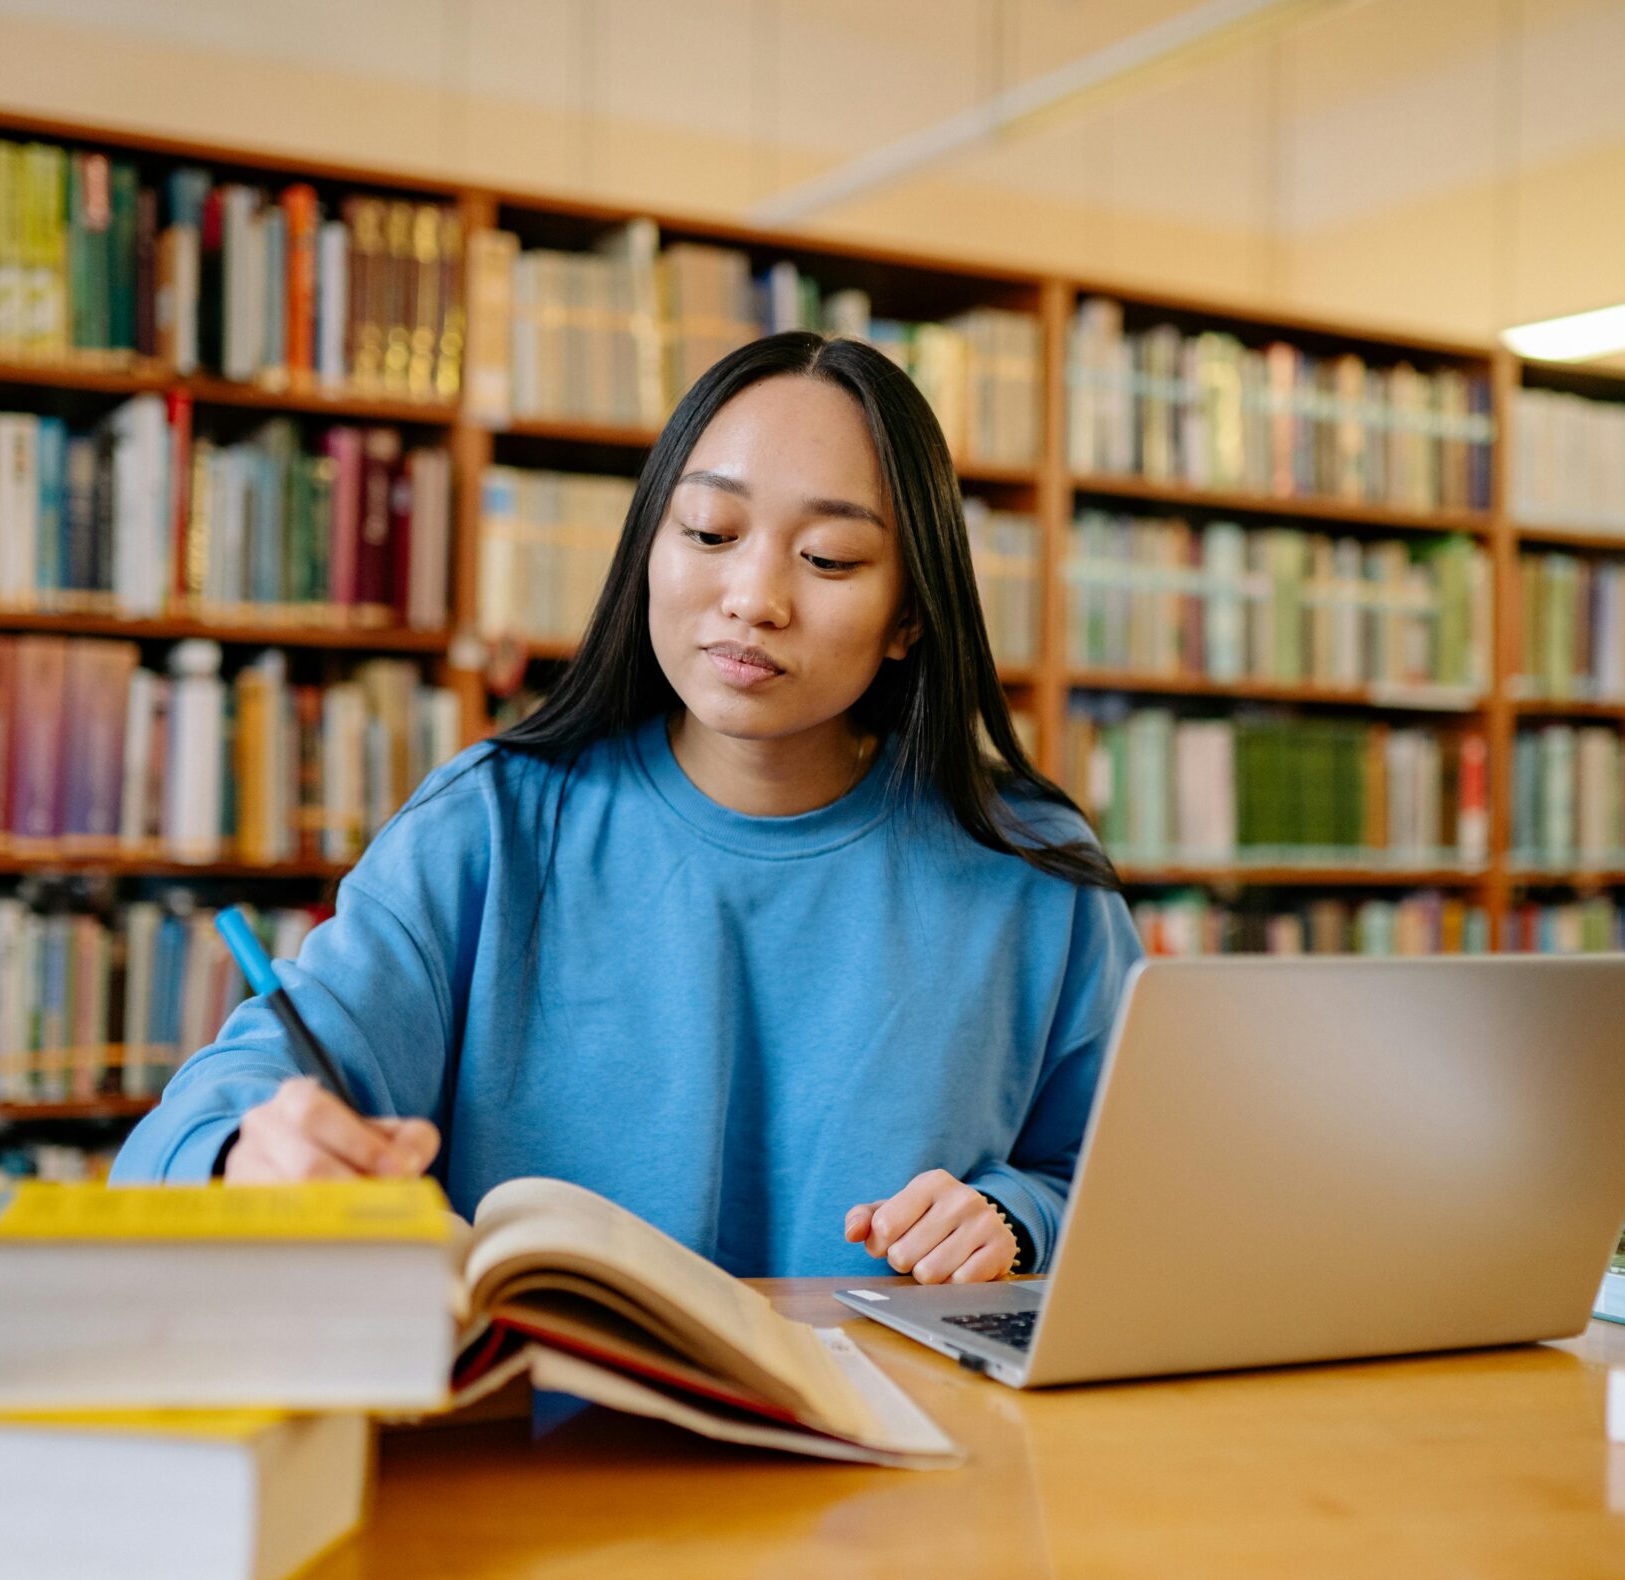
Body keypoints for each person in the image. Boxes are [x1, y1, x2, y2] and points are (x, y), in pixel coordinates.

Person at [109, 331, 1141, 1283]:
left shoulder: (1029, 868)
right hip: (542, 1455)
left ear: (911, 614)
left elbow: (1139, 1186)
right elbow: (214, 1109)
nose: (753, 596)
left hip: (912, 1459)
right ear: (650, 542)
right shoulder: (492, 827)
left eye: (827, 558)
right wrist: (248, 1149)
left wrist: (1015, 1219)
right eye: (707, 530)